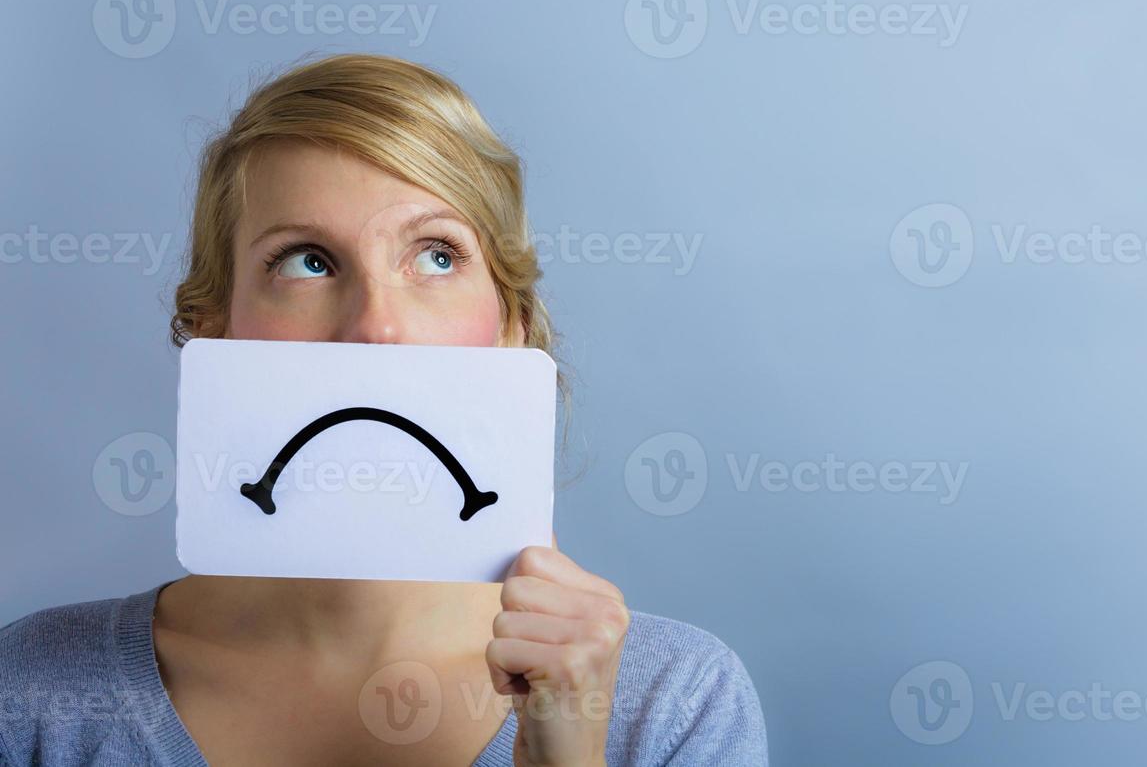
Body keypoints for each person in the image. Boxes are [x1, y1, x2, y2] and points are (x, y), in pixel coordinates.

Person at [0, 54, 768, 766]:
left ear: (512, 326)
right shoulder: (36, 697)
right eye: (307, 260)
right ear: (215, 330)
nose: (378, 327)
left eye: (437, 255)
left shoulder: (674, 703)